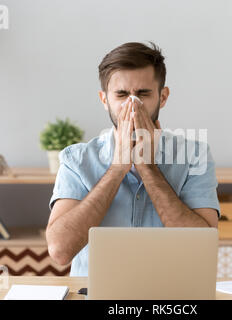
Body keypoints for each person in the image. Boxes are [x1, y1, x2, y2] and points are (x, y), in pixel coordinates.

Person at [46, 41, 220, 276]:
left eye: (143, 94)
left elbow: (202, 248)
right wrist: (117, 168)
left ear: (163, 97)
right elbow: (60, 252)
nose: (133, 104)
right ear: (104, 99)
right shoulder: (75, 160)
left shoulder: (194, 156)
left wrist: (148, 168)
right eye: (121, 94)